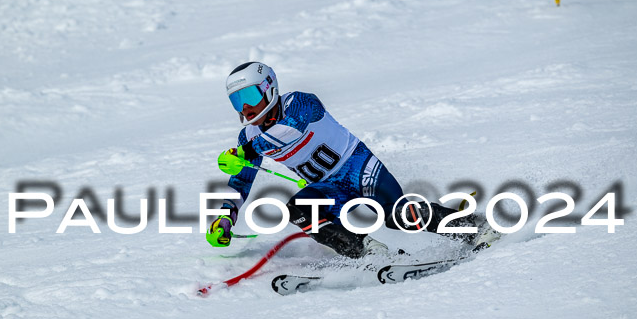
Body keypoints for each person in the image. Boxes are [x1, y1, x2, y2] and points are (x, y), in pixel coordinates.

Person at [206, 61, 496, 258]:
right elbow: (240, 182)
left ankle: (475, 227)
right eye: (237, 101)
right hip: (329, 188)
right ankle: (368, 253)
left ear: (269, 87)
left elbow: (291, 127)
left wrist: (247, 152)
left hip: (358, 167)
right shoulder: (249, 138)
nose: (245, 108)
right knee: (298, 209)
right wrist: (224, 217)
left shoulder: (300, 102)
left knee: (398, 216)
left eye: (249, 96)